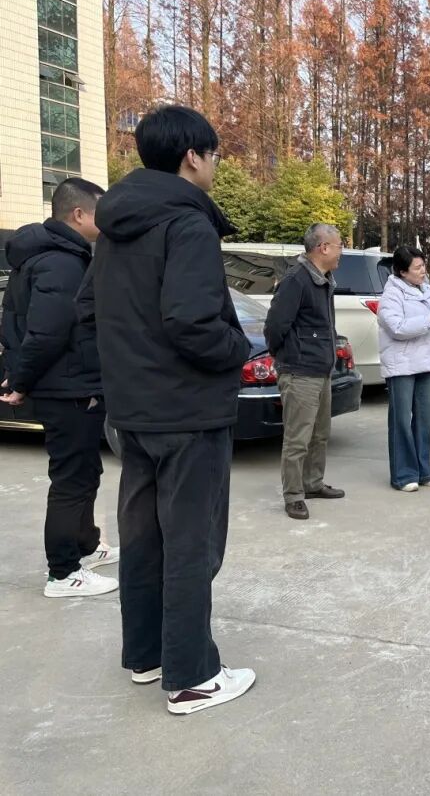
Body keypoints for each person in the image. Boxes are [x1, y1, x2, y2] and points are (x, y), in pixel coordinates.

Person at [81, 105, 255, 714]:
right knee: (191, 544)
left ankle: (147, 655)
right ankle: (190, 676)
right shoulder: (187, 225)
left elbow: (87, 316)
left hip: (134, 417)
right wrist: (239, 348)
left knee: (144, 541)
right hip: (188, 415)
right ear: (192, 157)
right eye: (214, 155)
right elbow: (192, 320)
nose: (215, 165)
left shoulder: (115, 231)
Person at [0, 178, 119, 598]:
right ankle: (63, 573)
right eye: (100, 215)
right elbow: (46, 333)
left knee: (86, 472)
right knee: (72, 479)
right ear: (79, 215)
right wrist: (20, 380)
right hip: (67, 388)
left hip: (72, 383)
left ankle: (87, 544)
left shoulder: (55, 256)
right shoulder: (61, 263)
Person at [264, 223, 347, 520]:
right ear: (322, 247)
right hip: (300, 372)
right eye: (338, 246)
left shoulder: (324, 279)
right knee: (298, 438)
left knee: (320, 434)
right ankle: (294, 494)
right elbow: (275, 326)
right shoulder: (297, 280)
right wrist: (283, 356)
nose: (341, 252)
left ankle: (312, 483)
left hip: (320, 369)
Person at [377, 246, 430, 491]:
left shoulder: (427, 290)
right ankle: (403, 474)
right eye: (417, 268)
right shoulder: (391, 295)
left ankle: (423, 469)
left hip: (424, 362)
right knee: (401, 420)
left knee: (425, 419)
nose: (423, 271)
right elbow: (397, 328)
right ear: (403, 272)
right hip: (401, 365)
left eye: (423, 266)